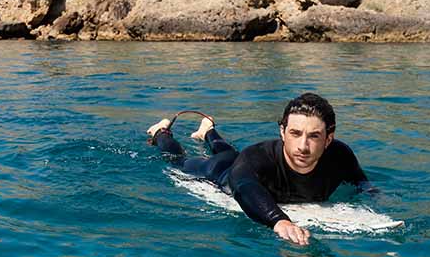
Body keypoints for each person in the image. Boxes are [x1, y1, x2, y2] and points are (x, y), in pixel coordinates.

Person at [147, 93, 368, 246]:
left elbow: (362, 182)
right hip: (220, 174)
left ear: (328, 139)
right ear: (282, 132)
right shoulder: (258, 157)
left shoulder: (340, 156)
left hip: (236, 160)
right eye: (295, 133)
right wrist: (278, 220)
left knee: (228, 151)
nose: (303, 146)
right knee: (177, 160)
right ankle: (161, 133)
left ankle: (208, 131)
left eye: (314, 136)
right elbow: (244, 186)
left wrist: (371, 198)